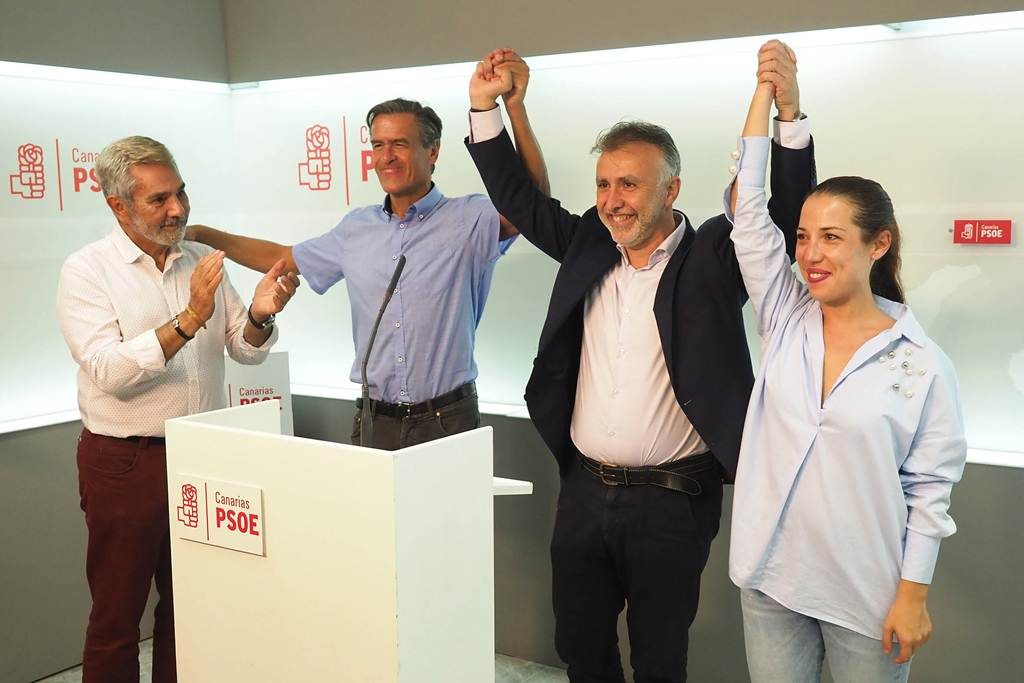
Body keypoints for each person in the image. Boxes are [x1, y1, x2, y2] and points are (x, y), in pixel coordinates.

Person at [465, 44, 815, 682]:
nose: (612, 200)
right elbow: (520, 198)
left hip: (673, 502)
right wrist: (487, 109)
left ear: (671, 188)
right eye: (603, 184)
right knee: (581, 649)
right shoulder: (589, 243)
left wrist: (787, 115)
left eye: (629, 184)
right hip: (583, 492)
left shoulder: (715, 256)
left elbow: (784, 215)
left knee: (658, 659)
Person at [727, 56, 967, 683]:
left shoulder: (921, 364)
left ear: (877, 244)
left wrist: (913, 594)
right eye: (804, 237)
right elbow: (748, 211)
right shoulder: (785, 317)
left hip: (867, 597)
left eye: (831, 237)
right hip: (771, 580)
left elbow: (929, 489)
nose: (810, 253)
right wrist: (772, 98)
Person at [56, 135, 298, 682]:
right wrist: (188, 319)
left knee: (190, 609)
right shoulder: (87, 270)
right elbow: (108, 372)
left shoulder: (198, 260)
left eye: (181, 193)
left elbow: (243, 349)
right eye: (159, 199)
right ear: (118, 206)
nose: (178, 210)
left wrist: (260, 314)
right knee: (117, 617)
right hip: (125, 463)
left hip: (200, 457)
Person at [187, 95, 548, 449]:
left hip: (447, 419)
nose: (385, 157)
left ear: (433, 151)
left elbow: (534, 205)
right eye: (377, 145)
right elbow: (282, 257)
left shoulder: (470, 217)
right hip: (375, 421)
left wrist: (514, 108)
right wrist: (203, 235)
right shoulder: (356, 228)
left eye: (399, 144)